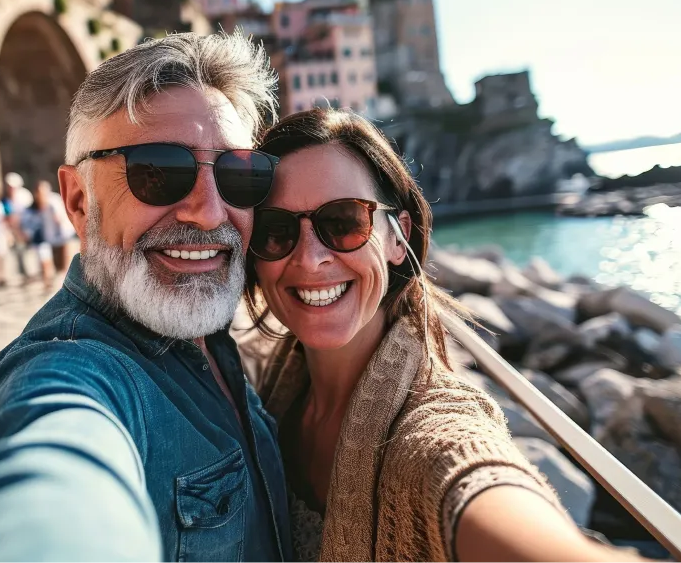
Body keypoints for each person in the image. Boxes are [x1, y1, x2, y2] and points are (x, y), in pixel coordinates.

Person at [0, 32, 291, 563]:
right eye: (160, 172)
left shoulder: (210, 337)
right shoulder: (71, 372)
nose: (209, 212)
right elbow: (51, 463)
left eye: (237, 175)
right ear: (78, 200)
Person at [243, 108, 651, 563]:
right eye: (276, 231)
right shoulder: (267, 393)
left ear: (399, 239)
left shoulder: (435, 429)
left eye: (343, 222)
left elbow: (471, 475)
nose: (309, 258)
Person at [22, 181, 73, 291]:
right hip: (42, 238)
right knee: (45, 260)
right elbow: (27, 224)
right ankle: (48, 284)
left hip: (60, 236)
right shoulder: (30, 209)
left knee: (63, 264)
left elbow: (61, 219)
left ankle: (63, 284)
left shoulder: (54, 202)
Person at [3, 171, 33, 282]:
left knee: (28, 250)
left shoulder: (24, 195)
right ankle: (24, 273)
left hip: (25, 226)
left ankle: (31, 272)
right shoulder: (7, 198)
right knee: (18, 251)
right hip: (14, 228)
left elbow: (29, 213)